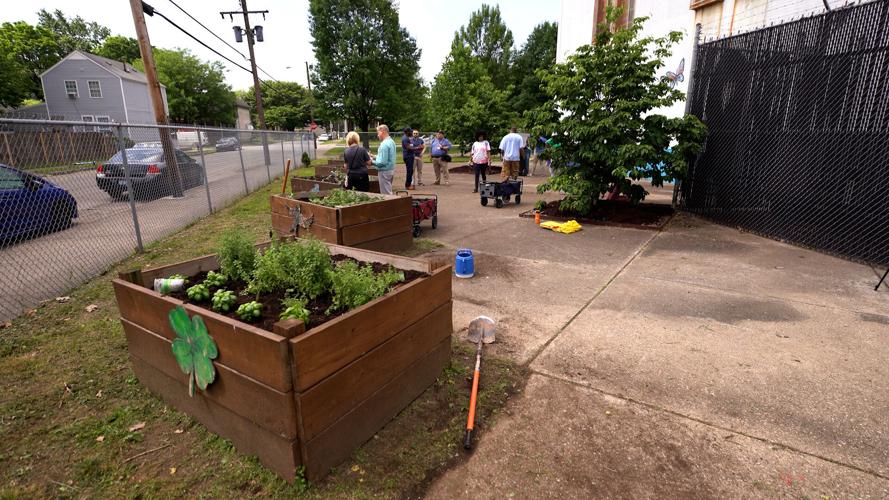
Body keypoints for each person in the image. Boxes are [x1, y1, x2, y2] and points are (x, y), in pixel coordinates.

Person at [371, 125, 396, 194]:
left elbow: (382, 162)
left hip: (384, 172)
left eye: (378, 133)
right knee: (389, 190)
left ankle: (390, 205)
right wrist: (374, 156)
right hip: (390, 170)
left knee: (386, 194)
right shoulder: (391, 141)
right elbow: (387, 156)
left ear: (382, 132)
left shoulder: (384, 144)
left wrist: (371, 162)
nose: (377, 135)